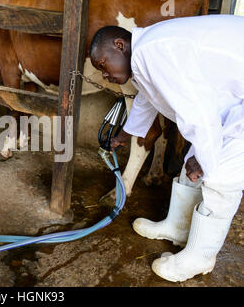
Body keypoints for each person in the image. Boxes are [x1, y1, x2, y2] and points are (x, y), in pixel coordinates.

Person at [89, 14, 244, 282]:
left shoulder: (155, 52)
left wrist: (206, 161)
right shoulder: (146, 54)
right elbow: (148, 99)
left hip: (231, 106)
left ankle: (201, 257)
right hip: (233, 100)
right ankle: (178, 227)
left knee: (221, 174)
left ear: (119, 45)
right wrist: (124, 135)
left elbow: (199, 111)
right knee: (197, 158)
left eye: (103, 65)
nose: (105, 75)